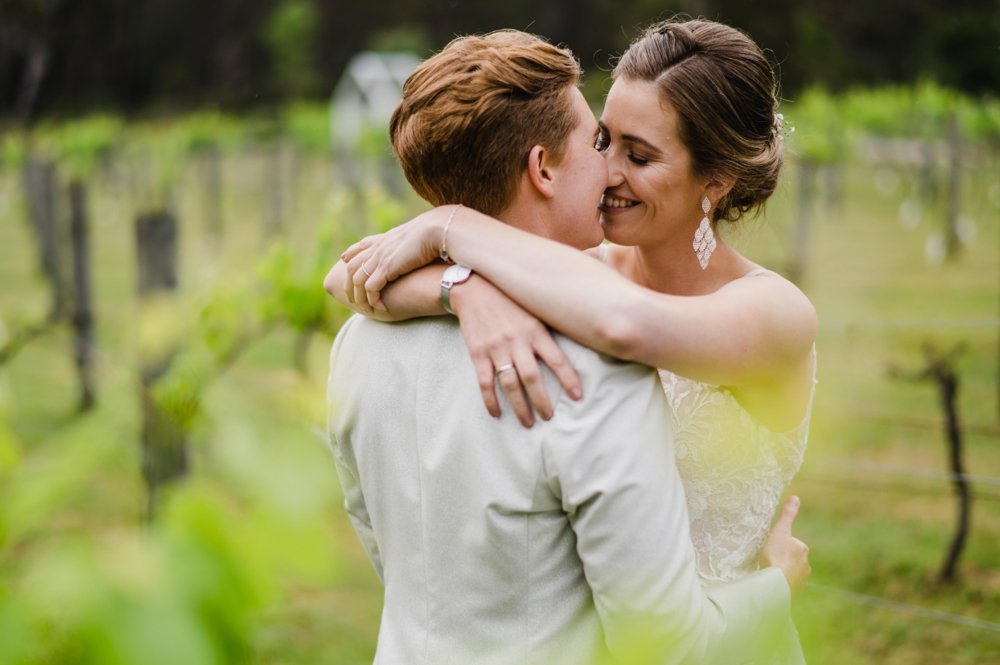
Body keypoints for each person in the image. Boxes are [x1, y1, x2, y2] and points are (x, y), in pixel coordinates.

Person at [331, 18, 816, 664]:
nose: (609, 172)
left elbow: (623, 324)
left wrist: (449, 226)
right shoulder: (578, 279)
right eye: (602, 140)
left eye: (638, 156)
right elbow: (348, 275)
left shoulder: (774, 313)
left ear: (717, 180)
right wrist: (461, 287)